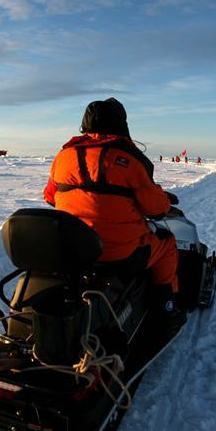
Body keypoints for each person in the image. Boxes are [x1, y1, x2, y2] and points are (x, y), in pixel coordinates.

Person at [43, 98, 185, 337]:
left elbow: (50, 197)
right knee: (167, 244)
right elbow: (155, 209)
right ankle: (167, 309)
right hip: (119, 252)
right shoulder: (131, 159)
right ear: (122, 123)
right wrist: (164, 200)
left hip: (72, 248)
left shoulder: (64, 156)